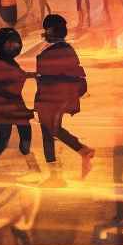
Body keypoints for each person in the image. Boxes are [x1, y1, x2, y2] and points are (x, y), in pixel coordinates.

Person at [34, 13, 93, 182]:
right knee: (53, 130)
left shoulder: (57, 49)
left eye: (47, 28)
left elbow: (55, 75)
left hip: (53, 97)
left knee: (49, 132)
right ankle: (82, 151)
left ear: (53, 29)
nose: (45, 32)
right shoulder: (61, 48)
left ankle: (55, 174)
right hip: (51, 96)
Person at [0, 28, 36, 177]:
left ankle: (34, 168)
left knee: (23, 135)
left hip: (14, 106)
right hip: (4, 108)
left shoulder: (8, 61)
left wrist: (35, 75)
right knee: (1, 143)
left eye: (15, 43)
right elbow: (9, 80)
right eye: (9, 42)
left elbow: (19, 75)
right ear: (2, 43)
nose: (13, 46)